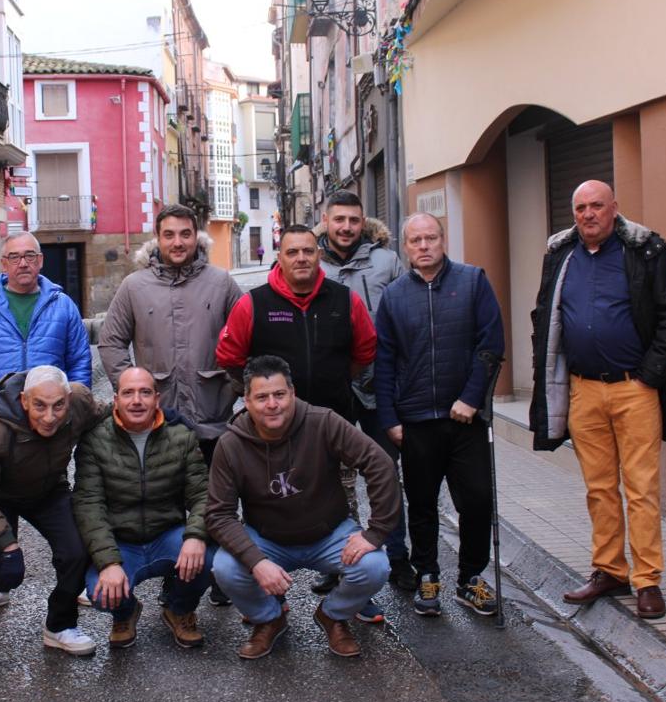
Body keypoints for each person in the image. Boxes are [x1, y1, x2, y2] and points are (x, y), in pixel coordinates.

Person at [530, 180, 666, 620]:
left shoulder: (645, 250)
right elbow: (544, 314)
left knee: (641, 489)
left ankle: (647, 580)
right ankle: (609, 570)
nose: (588, 214)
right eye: (580, 207)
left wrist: (649, 376)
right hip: (583, 389)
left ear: (614, 208)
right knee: (599, 488)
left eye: (596, 206)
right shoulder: (561, 254)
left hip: (634, 390)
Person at [207, 356, 401, 659]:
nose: (272, 404)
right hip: (267, 538)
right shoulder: (231, 444)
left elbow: (379, 464)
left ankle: (333, 615)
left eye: (279, 395)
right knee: (226, 568)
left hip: (330, 533)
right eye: (262, 397)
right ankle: (269, 619)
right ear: (246, 400)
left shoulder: (322, 422)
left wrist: (374, 533)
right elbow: (219, 514)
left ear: (292, 394)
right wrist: (256, 561)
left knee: (375, 566)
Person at [99, 203, 241, 606]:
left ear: (197, 237)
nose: (177, 242)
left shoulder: (222, 283)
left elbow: (246, 339)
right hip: (158, 423)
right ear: (157, 239)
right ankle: (174, 581)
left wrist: (234, 387)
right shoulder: (135, 286)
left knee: (217, 500)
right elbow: (111, 342)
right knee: (168, 503)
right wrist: (133, 390)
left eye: (185, 234)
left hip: (213, 417)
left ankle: (218, 574)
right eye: (169, 235)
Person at [373, 212, 505, 618]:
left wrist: (471, 397)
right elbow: (384, 360)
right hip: (415, 421)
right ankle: (427, 573)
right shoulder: (394, 295)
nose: (424, 246)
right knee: (422, 503)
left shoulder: (473, 281)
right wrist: (390, 417)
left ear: (443, 240)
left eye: (431, 238)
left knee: (478, 500)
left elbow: (491, 344)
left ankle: (469, 578)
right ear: (406, 247)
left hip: (464, 418)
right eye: (416, 240)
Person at [0, 365, 106, 677]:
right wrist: (9, 545)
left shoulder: (79, 402)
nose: (50, 417)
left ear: (68, 399)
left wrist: (155, 418)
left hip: (48, 490)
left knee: (78, 549)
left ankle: (60, 625)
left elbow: (108, 414)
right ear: (24, 401)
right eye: (39, 406)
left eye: (58, 406)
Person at [314, 190, 414, 598]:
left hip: (379, 386)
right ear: (326, 219)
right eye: (339, 220)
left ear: (363, 222)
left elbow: (404, 320)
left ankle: (398, 555)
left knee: (385, 472)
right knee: (330, 478)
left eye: (354, 220)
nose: (346, 228)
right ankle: (335, 560)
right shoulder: (309, 263)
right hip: (330, 388)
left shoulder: (387, 262)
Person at [73, 367, 212, 649]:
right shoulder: (94, 441)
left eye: (145, 392)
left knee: (209, 559)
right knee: (100, 592)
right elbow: (89, 506)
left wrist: (195, 536)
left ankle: (178, 609)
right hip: (121, 542)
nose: (137, 400)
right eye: (128, 393)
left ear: (156, 399)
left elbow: (203, 494)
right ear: (116, 400)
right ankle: (125, 613)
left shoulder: (181, 437)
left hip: (167, 535)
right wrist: (109, 562)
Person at [216, 224, 376, 423]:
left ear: (319, 255)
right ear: (279, 258)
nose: (301, 258)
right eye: (292, 252)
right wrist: (260, 390)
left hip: (334, 421)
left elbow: (365, 351)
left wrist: (336, 380)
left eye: (308, 251)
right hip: (274, 426)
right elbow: (229, 357)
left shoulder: (347, 300)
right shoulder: (252, 304)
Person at [0, 231, 91, 430]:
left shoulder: (63, 306)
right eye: (14, 257)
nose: (23, 263)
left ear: (40, 260)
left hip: (51, 423)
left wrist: (72, 412)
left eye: (30, 256)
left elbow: (80, 361)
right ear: (4, 263)